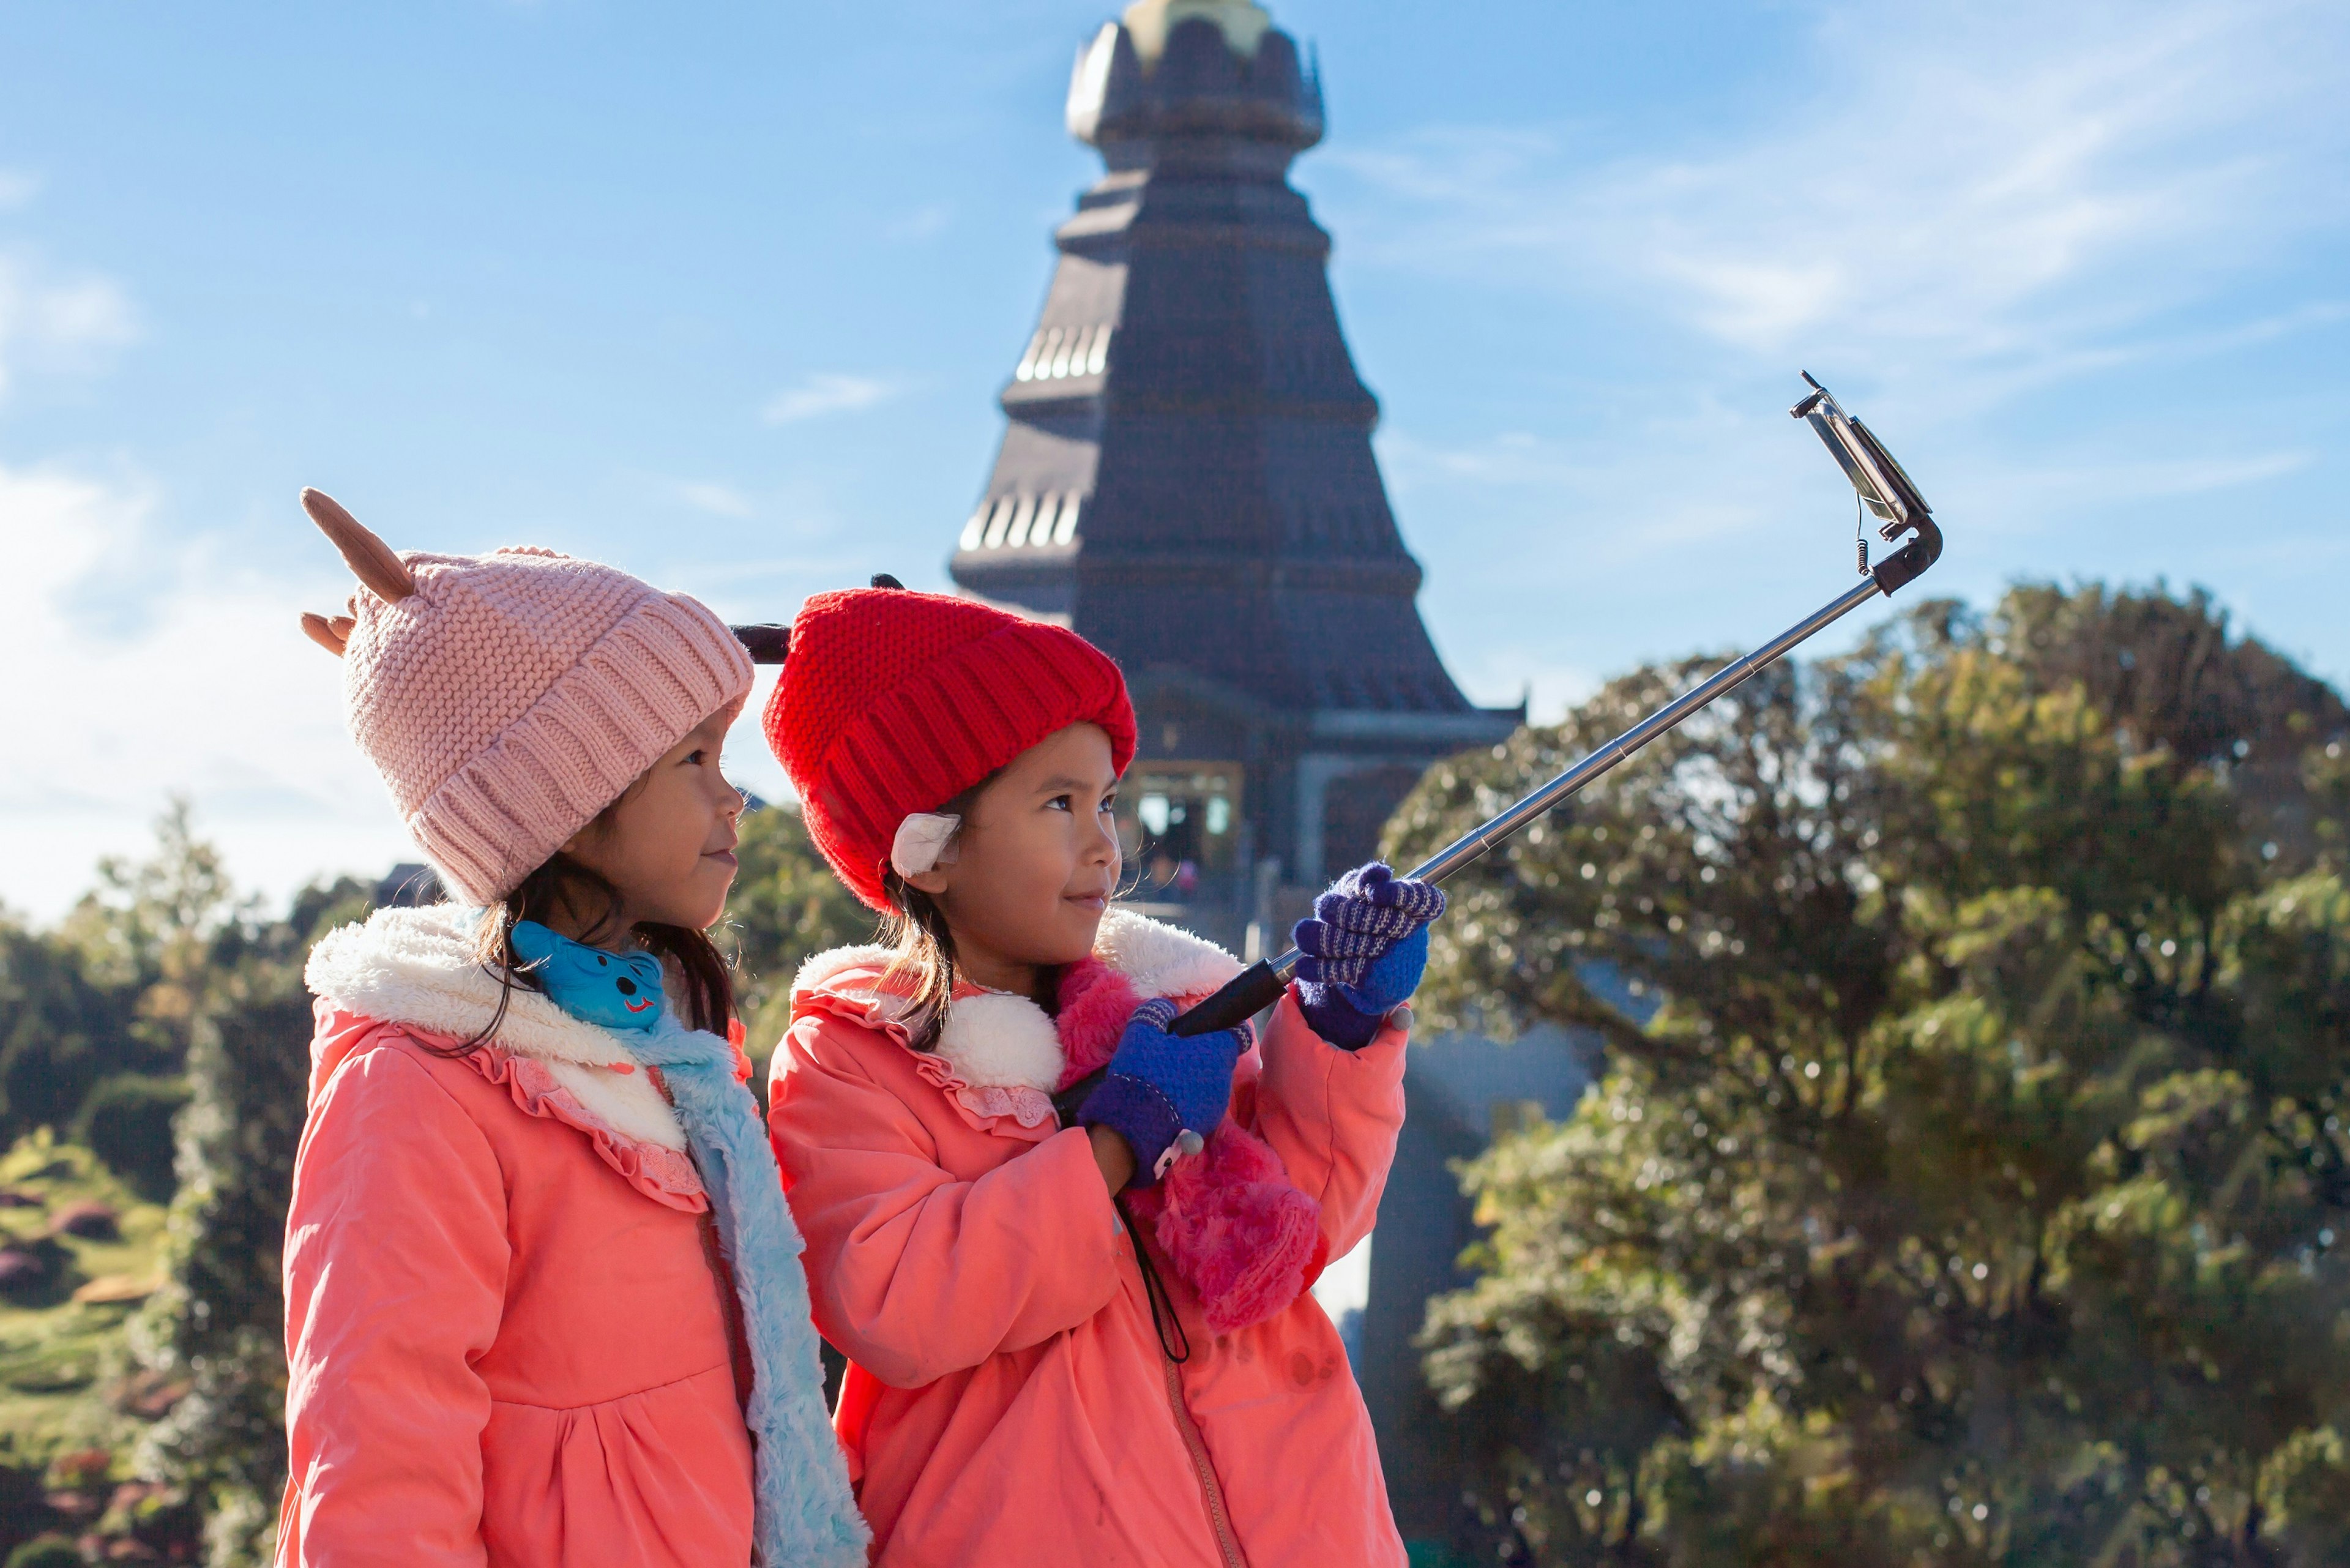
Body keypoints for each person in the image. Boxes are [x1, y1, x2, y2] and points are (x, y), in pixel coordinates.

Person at [763, 584, 1443, 1566]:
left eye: (1107, 800)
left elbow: (1306, 1221)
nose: (1104, 841)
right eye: (1058, 803)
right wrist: (1115, 1143)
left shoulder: (1165, 1007)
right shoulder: (859, 1057)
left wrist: (1341, 1029)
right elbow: (896, 1302)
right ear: (931, 850)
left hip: (1307, 1519)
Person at [276, 491, 867, 1568]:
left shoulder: (675, 1047)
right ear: (564, 795)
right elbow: (378, 1462)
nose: (735, 800)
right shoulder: (420, 1086)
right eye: (693, 759)